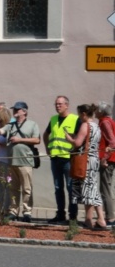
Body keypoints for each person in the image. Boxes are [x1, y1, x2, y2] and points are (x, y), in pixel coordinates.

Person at [68, 104, 107, 230]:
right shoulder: (96, 126)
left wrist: (69, 138)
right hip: (93, 159)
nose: (79, 117)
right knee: (93, 189)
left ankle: (88, 220)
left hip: (86, 160)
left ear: (84, 114)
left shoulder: (85, 125)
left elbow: (78, 143)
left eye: (79, 114)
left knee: (87, 190)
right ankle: (101, 219)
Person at [43, 94, 78, 225]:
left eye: (60, 104)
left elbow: (82, 137)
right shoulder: (53, 119)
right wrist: (47, 148)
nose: (57, 106)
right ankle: (60, 215)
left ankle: (73, 217)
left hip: (69, 159)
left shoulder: (75, 119)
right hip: (55, 158)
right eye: (56, 104)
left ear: (66, 105)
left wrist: (75, 148)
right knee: (58, 188)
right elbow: (45, 134)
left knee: (71, 188)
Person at [6, 101, 41, 223]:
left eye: (17, 109)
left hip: (25, 160)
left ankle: (27, 212)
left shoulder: (32, 124)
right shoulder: (11, 125)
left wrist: (19, 139)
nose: (14, 111)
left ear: (24, 111)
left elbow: (37, 140)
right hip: (12, 160)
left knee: (27, 188)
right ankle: (13, 211)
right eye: (14, 109)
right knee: (13, 188)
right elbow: (1, 132)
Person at [99, 103, 115, 227]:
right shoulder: (108, 121)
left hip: (108, 160)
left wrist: (104, 158)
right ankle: (109, 216)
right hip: (110, 159)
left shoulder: (104, 122)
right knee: (105, 188)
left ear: (101, 111)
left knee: (105, 189)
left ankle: (110, 218)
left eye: (97, 110)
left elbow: (112, 142)